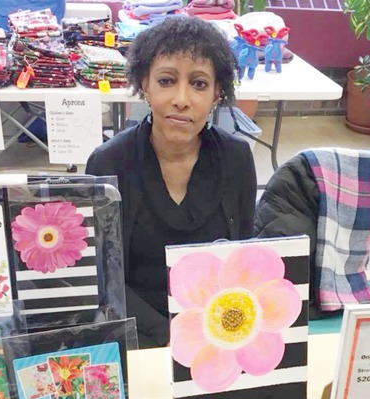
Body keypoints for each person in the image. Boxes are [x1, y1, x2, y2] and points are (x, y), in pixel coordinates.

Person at [86, 16, 257, 348]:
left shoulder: (237, 159)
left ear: (217, 93)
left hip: (217, 334)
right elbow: (103, 277)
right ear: (145, 85)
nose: (182, 98)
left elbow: (243, 260)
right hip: (133, 331)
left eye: (199, 84)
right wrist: (169, 337)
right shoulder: (109, 163)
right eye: (166, 81)